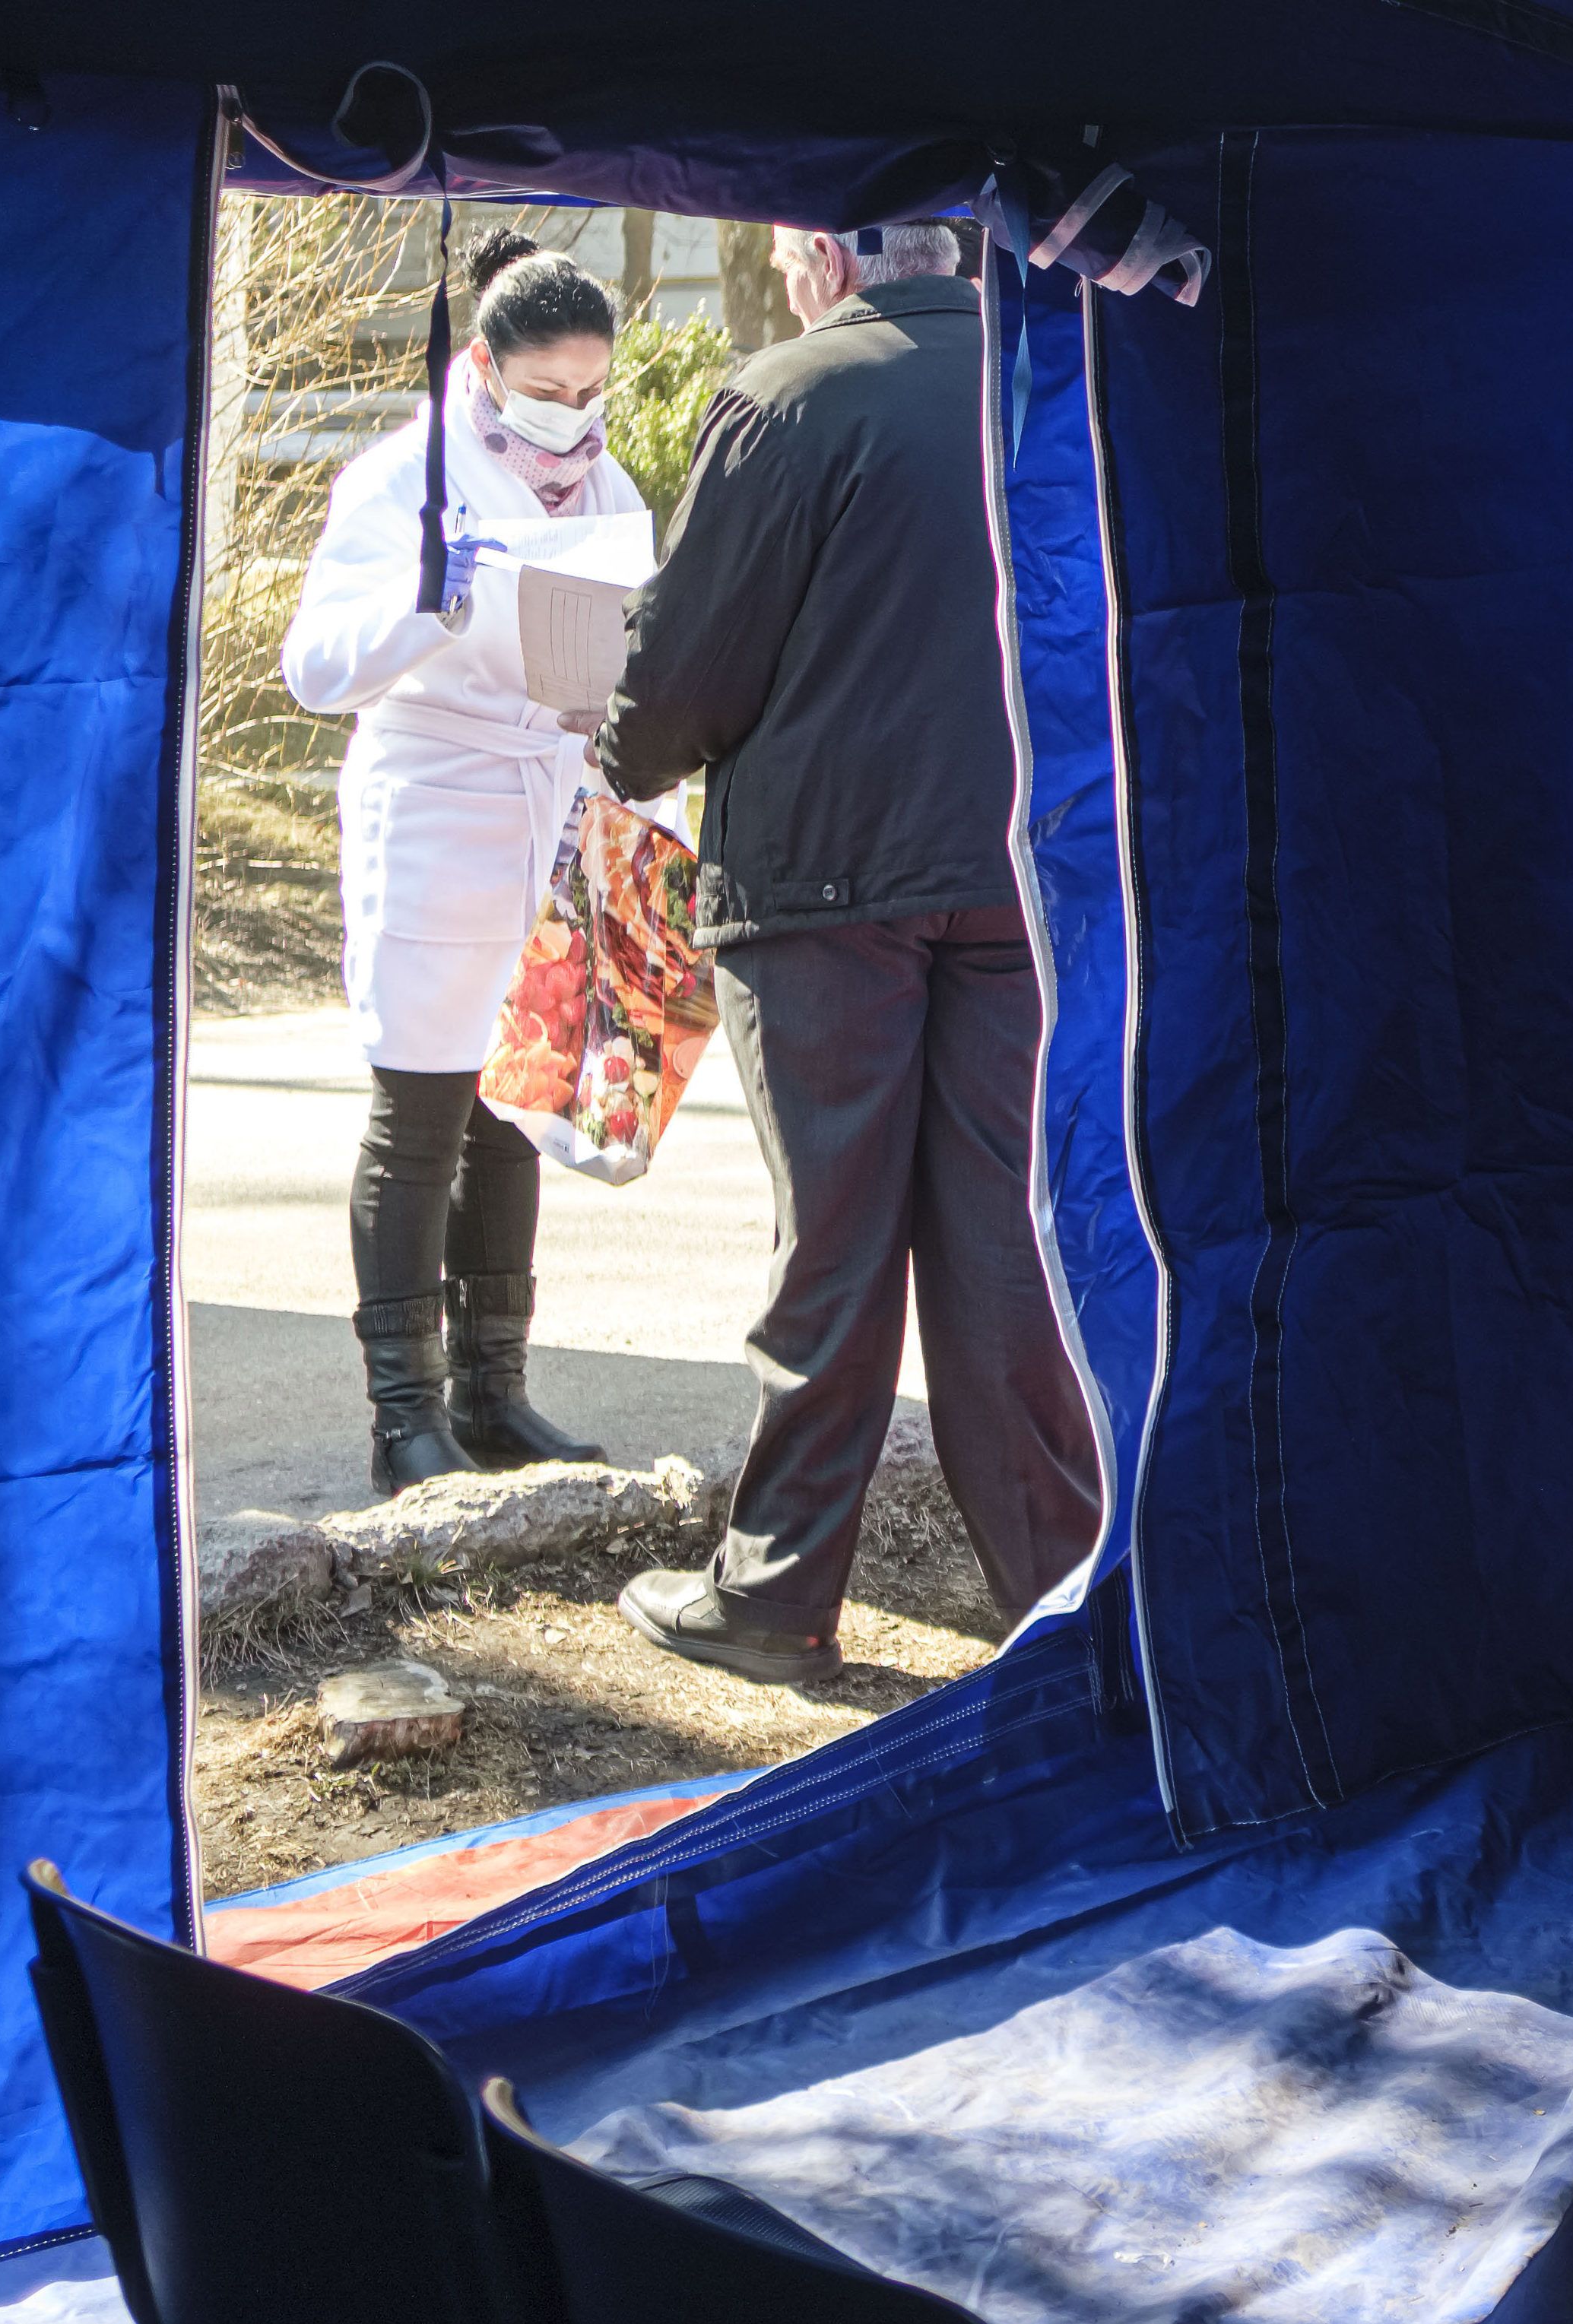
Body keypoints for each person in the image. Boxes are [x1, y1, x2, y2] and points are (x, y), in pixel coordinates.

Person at [594, 220, 1099, 1684]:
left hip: (824, 885)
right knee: (1006, 1246)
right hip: (1015, 873)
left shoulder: (789, 396)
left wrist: (625, 737)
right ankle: (1060, 1589)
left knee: (834, 1240)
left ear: (827, 255)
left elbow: (678, 681)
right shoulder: (1039, 385)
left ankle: (777, 1592)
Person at [284, 228, 629, 1495]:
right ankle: (404, 1415)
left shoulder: (610, 491)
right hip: (433, 801)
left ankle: (497, 1390)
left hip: (548, 815)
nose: (572, 419)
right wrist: (427, 604)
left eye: (593, 392)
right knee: (423, 1112)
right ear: (484, 365)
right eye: (548, 392)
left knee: (515, 1118)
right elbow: (314, 668)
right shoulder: (396, 480)